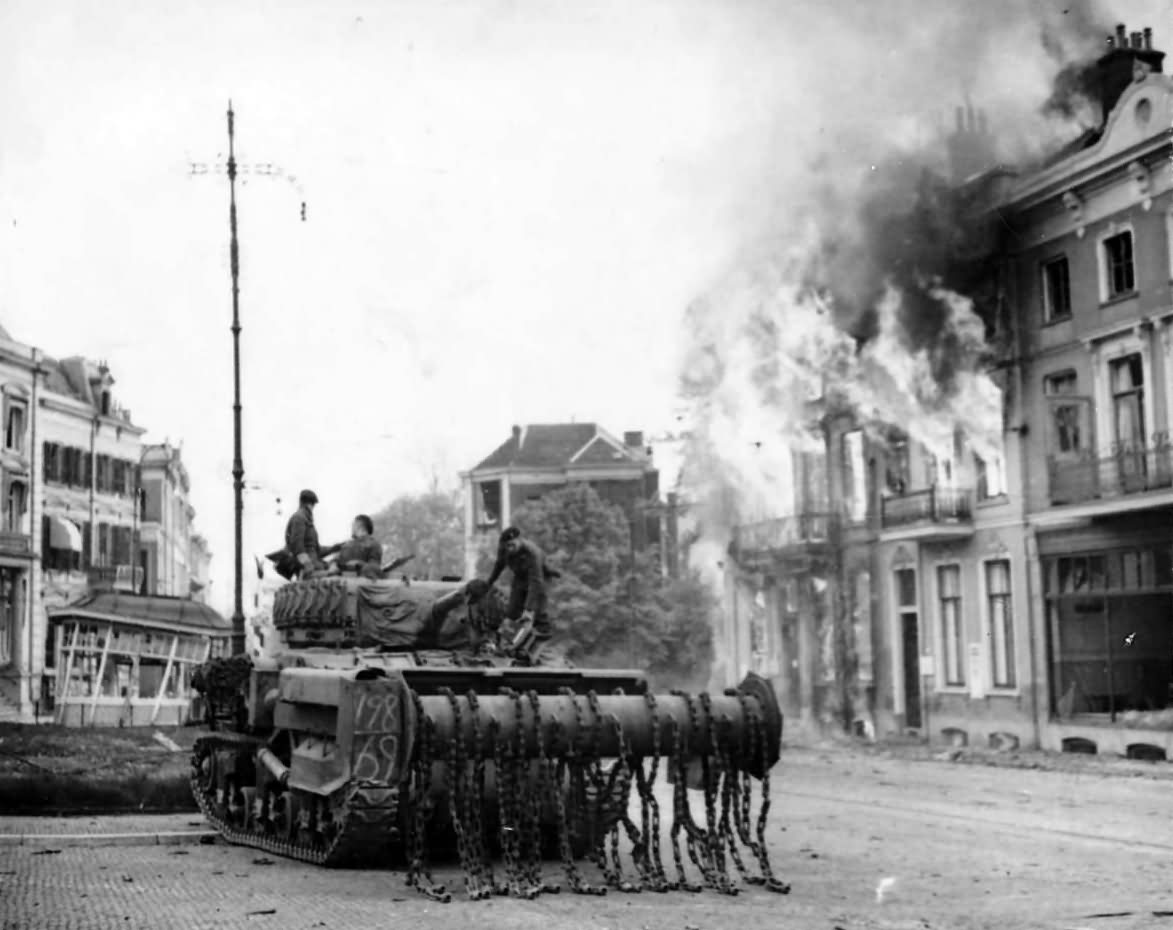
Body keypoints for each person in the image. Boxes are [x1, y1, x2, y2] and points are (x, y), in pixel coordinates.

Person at [485, 526, 555, 660]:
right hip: (520, 578)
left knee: (538, 616)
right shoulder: (503, 549)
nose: (509, 549)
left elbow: (536, 582)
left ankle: (531, 650)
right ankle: (505, 647)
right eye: (507, 546)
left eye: (512, 545)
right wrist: (488, 583)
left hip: (539, 579)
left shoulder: (532, 553)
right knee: (511, 613)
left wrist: (529, 609)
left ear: (520, 540)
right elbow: (499, 565)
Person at [282, 489, 323, 579]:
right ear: (307, 504)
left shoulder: (306, 520)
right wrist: (307, 564)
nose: (312, 508)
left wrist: (336, 547)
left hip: (313, 563)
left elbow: (315, 548)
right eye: (312, 504)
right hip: (307, 569)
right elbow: (297, 546)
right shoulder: (299, 518)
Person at [331, 514, 384, 578]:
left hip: (361, 580)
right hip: (341, 580)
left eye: (353, 525)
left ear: (360, 526)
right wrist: (333, 564)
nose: (351, 528)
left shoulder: (373, 544)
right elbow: (335, 560)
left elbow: (375, 566)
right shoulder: (346, 545)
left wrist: (359, 564)